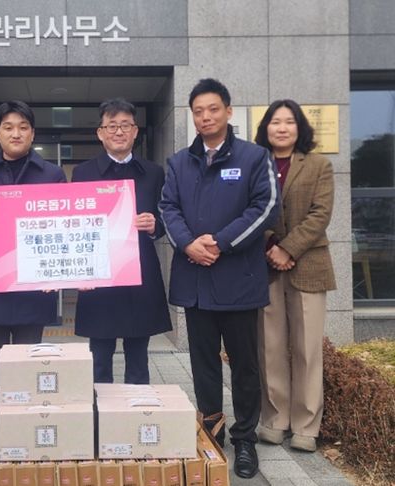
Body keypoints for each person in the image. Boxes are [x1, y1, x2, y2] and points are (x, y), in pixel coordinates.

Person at [159, 78, 279, 479]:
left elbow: (266, 207)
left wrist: (221, 242)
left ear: (228, 111)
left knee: (244, 365)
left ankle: (245, 439)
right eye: (198, 111)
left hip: (238, 280)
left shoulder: (254, 156)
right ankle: (212, 431)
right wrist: (188, 244)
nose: (205, 117)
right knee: (203, 363)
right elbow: (167, 208)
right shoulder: (179, 162)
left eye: (213, 109)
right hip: (195, 281)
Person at [0, 100, 67, 386]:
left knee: (28, 370)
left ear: (32, 133)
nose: (16, 133)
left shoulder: (52, 175)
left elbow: (65, 226)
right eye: (8, 128)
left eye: (23, 127)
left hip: (34, 285)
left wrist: (60, 273)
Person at [254, 100, 335, 452]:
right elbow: (249, 209)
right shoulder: (256, 164)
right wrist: (271, 243)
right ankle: (275, 419)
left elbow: (320, 214)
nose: (282, 128)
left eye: (289, 121)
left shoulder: (319, 165)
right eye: (275, 122)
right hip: (266, 265)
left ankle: (305, 426)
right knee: (270, 347)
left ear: (299, 127)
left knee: (307, 350)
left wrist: (288, 248)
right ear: (266, 128)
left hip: (308, 265)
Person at [71, 98, 171, 384]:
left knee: (138, 355)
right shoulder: (83, 173)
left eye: (125, 125)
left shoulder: (153, 172)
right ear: (100, 133)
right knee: (99, 356)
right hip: (99, 274)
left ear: (135, 131)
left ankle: (137, 406)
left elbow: (168, 217)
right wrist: (79, 271)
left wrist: (154, 225)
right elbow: (74, 224)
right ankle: (100, 408)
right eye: (111, 126)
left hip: (140, 272)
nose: (119, 132)